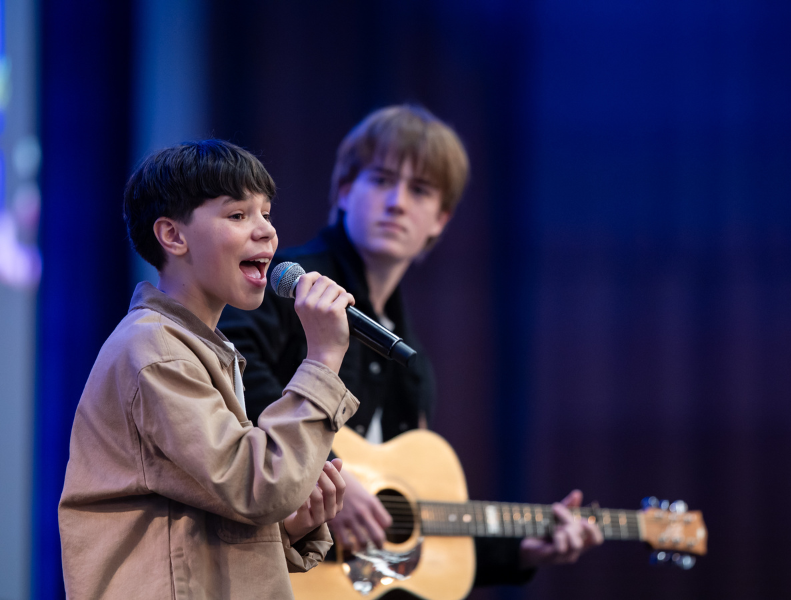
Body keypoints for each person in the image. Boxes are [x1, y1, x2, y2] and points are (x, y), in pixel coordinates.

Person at [219, 106, 603, 589]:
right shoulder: (286, 285)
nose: (397, 202)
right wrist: (330, 474)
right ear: (344, 191)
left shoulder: (409, 360)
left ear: (440, 220)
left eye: (419, 191)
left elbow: (406, 537)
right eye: (381, 181)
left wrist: (525, 549)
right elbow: (228, 375)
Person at [58, 140, 361, 599]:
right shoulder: (155, 349)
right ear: (173, 236)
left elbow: (191, 533)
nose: (266, 233)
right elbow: (257, 486)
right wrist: (321, 359)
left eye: (267, 213)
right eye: (238, 215)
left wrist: (287, 524)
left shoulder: (196, 346)